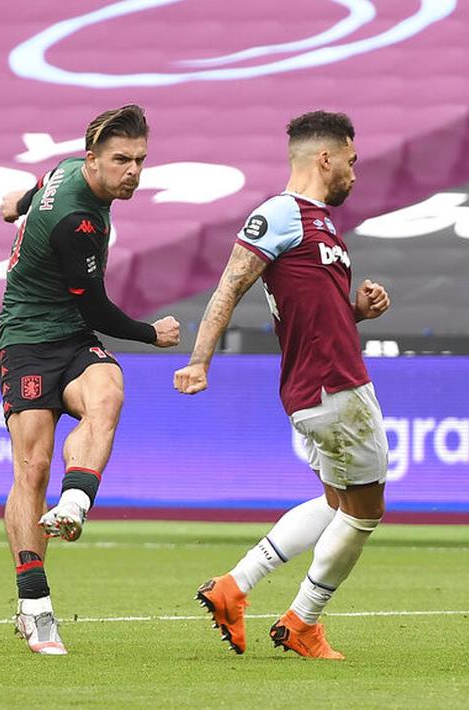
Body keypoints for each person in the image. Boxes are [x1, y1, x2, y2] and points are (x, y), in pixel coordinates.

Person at [174, 111, 391, 659]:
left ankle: (234, 586)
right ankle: (302, 621)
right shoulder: (281, 214)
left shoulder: (319, 224)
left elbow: (309, 312)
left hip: (321, 383)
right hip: (332, 385)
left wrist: (356, 313)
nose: (354, 173)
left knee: (337, 500)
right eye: (351, 161)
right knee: (364, 510)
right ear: (326, 158)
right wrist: (200, 361)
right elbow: (230, 286)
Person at [0, 104, 180, 655]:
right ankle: (34, 606)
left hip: (71, 335)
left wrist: (18, 205)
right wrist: (151, 334)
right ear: (93, 159)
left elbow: (41, 185)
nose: (133, 172)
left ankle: (75, 501)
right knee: (32, 467)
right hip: (26, 337)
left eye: (140, 160)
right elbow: (98, 308)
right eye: (122, 160)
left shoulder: (66, 169)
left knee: (108, 392)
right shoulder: (77, 221)